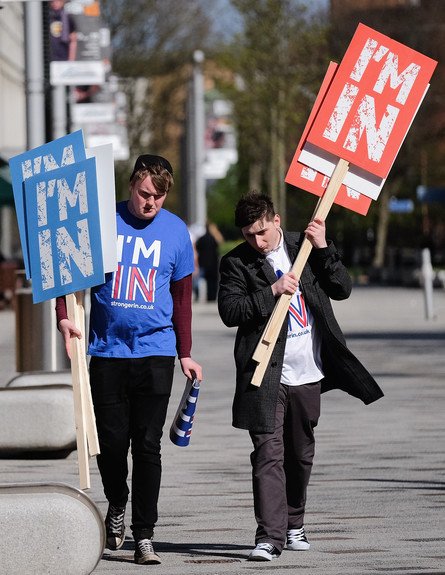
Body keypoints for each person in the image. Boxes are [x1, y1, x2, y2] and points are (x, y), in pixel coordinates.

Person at [218, 191, 383, 562]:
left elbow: (342, 288)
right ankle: (269, 537)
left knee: (300, 453)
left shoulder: (305, 246)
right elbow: (230, 311)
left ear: (276, 221)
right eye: (248, 236)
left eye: (261, 232)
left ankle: (294, 523)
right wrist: (272, 291)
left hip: (308, 370)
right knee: (267, 454)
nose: (256, 242)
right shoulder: (236, 263)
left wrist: (323, 248)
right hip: (263, 373)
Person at [56, 154, 202, 565]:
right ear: (131, 186)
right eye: (143, 193)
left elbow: (182, 298)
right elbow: (67, 270)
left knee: (148, 446)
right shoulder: (102, 222)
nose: (150, 202)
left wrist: (185, 353)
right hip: (107, 351)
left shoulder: (176, 232)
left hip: (156, 352)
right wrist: (64, 318)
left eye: (158, 196)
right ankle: (116, 503)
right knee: (112, 444)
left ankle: (145, 536)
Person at [195, 222, 221, 302]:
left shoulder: (202, 238)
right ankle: (211, 297)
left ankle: (197, 295)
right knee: (212, 281)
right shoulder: (214, 239)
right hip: (213, 263)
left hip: (203, 262)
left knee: (198, 280)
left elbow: (198, 248)